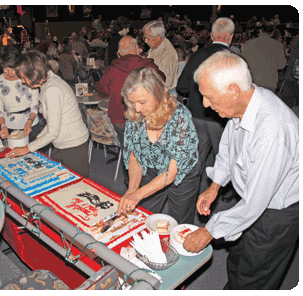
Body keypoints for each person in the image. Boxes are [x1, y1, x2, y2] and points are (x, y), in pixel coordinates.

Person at [183, 50, 299, 290]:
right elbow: (228, 149)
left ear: (234, 90)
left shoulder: (272, 130)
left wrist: (209, 232)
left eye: (209, 97)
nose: (205, 104)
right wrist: (215, 186)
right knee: (237, 259)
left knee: (256, 274)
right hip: (252, 199)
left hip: (277, 211)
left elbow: (256, 203)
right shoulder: (244, 104)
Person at [117, 67, 199, 225]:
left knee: (179, 222)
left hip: (182, 174)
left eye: (142, 102)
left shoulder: (180, 116)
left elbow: (173, 171)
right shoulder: (135, 115)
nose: (137, 108)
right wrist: (133, 189)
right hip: (151, 168)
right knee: (144, 215)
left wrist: (138, 194)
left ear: (158, 94)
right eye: (132, 102)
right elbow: (135, 155)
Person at [177, 17, 236, 201]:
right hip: (221, 120)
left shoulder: (198, 55)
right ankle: (223, 194)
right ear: (231, 37)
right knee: (225, 157)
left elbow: (182, 87)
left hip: (196, 115)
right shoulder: (234, 60)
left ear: (211, 35)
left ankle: (189, 193)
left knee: (196, 160)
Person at [5, 50, 89, 178]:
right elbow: (52, 122)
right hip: (64, 143)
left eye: (23, 77)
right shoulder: (49, 81)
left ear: (33, 73)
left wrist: (27, 148)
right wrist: (38, 138)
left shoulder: (52, 89)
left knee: (76, 184)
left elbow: (53, 131)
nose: (22, 81)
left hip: (73, 145)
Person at [97, 35, 166, 145]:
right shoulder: (148, 66)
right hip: (143, 118)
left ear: (119, 52)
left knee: (128, 149)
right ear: (137, 48)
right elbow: (162, 81)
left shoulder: (111, 69)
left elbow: (102, 91)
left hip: (119, 119)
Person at [0, 46, 42, 143]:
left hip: (31, 123)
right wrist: (3, 125)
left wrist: (29, 121)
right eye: (6, 69)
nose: (10, 73)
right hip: (9, 125)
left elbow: (35, 104)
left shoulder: (28, 77)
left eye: (13, 69)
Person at [241, 24, 287, 92]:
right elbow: (281, 65)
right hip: (269, 82)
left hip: (251, 82)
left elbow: (242, 62)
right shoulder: (278, 45)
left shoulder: (248, 43)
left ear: (260, 31)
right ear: (272, 33)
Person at [142, 20, 179, 96]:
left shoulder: (167, 53)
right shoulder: (156, 47)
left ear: (158, 37)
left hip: (163, 94)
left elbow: (166, 82)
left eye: (147, 38)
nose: (145, 41)